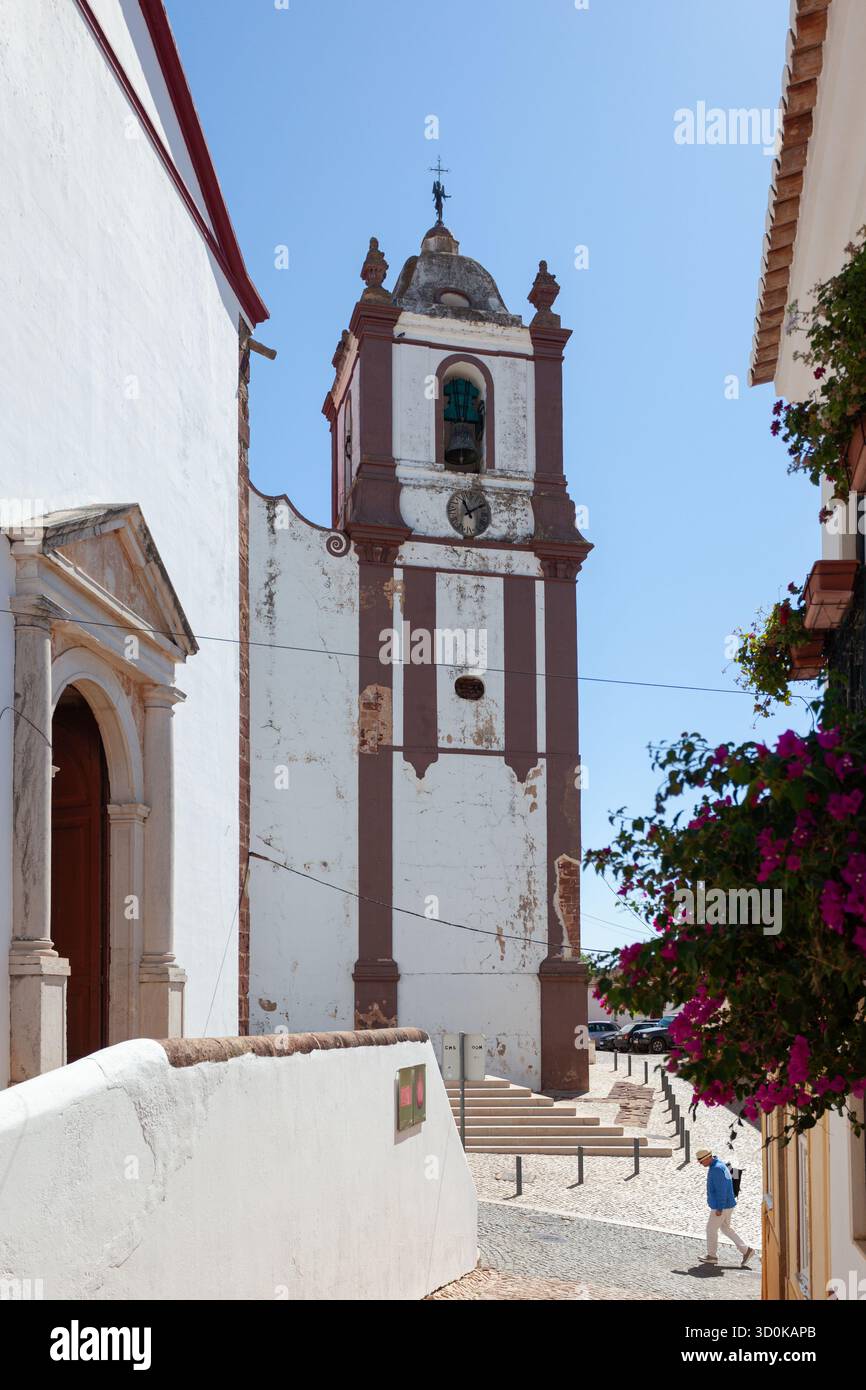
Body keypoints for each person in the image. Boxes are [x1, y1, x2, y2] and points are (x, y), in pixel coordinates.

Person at [696, 1148, 754, 1267]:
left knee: (711, 1230)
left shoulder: (716, 1169)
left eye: (701, 1161)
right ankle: (746, 1250)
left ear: (707, 1158)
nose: (700, 1164)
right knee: (725, 1229)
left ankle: (712, 1256)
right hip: (728, 1204)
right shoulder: (719, 1165)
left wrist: (719, 1208)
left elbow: (721, 1190)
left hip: (721, 1206)